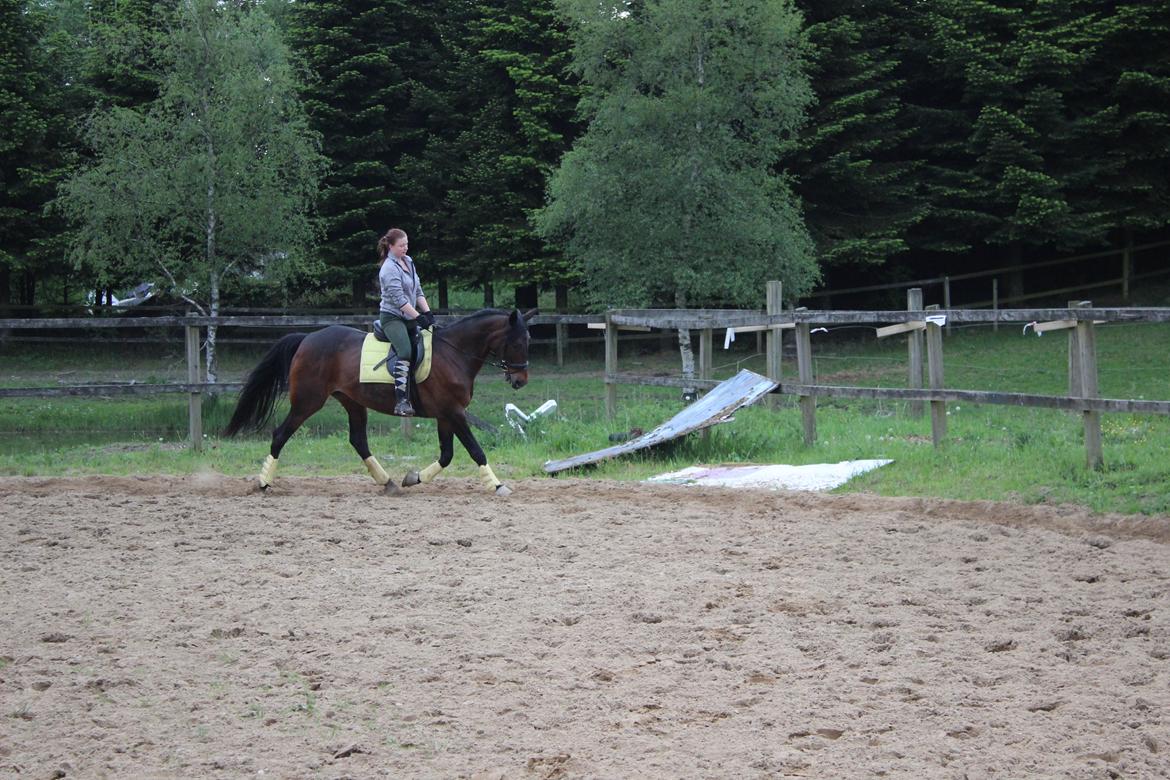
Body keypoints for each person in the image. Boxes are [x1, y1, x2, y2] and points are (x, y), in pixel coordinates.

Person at [377, 228, 435, 416]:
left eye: (407, 244)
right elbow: (399, 300)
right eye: (401, 245)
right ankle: (401, 401)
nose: (405, 248)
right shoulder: (388, 268)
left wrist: (428, 312)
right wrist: (418, 317)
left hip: (409, 316)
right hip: (392, 317)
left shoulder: (408, 262)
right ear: (391, 246)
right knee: (405, 351)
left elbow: (417, 291)